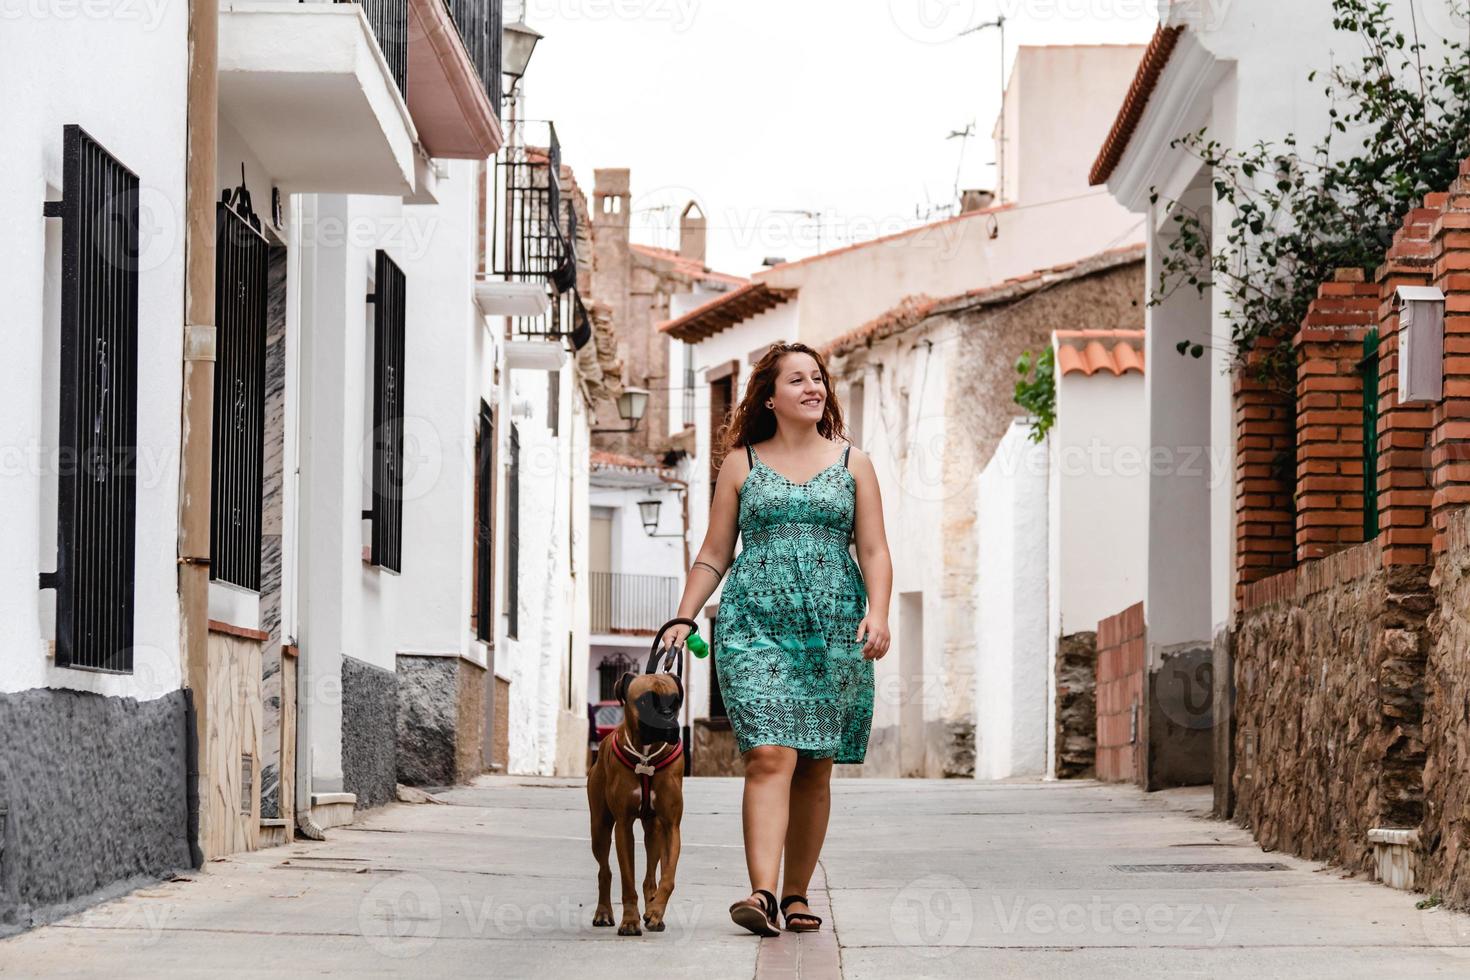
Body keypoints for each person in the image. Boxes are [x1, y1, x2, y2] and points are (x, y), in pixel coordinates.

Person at [660, 341, 892, 936]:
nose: (813, 387)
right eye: (797, 380)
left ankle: (795, 894)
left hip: (835, 628)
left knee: (814, 765)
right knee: (769, 752)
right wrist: (686, 616)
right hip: (753, 628)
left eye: (818, 378)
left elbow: (873, 550)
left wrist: (881, 613)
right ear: (770, 396)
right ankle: (761, 893)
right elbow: (714, 554)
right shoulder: (742, 462)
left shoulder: (853, 464)